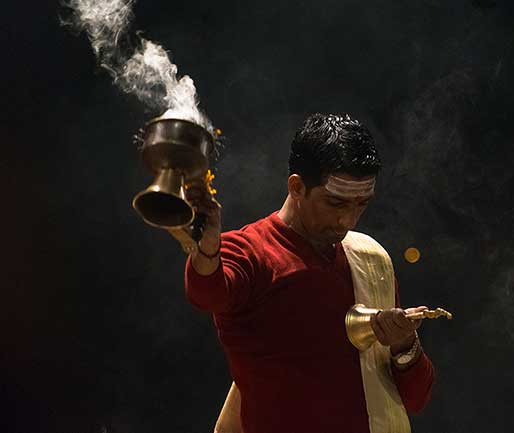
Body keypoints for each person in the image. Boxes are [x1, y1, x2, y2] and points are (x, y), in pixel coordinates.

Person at [184, 113, 435, 433]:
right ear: (297, 186)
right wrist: (206, 248)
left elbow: (415, 399)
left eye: (361, 204)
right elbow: (207, 292)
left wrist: (404, 345)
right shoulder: (249, 251)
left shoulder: (370, 258)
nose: (349, 221)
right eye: (336, 203)